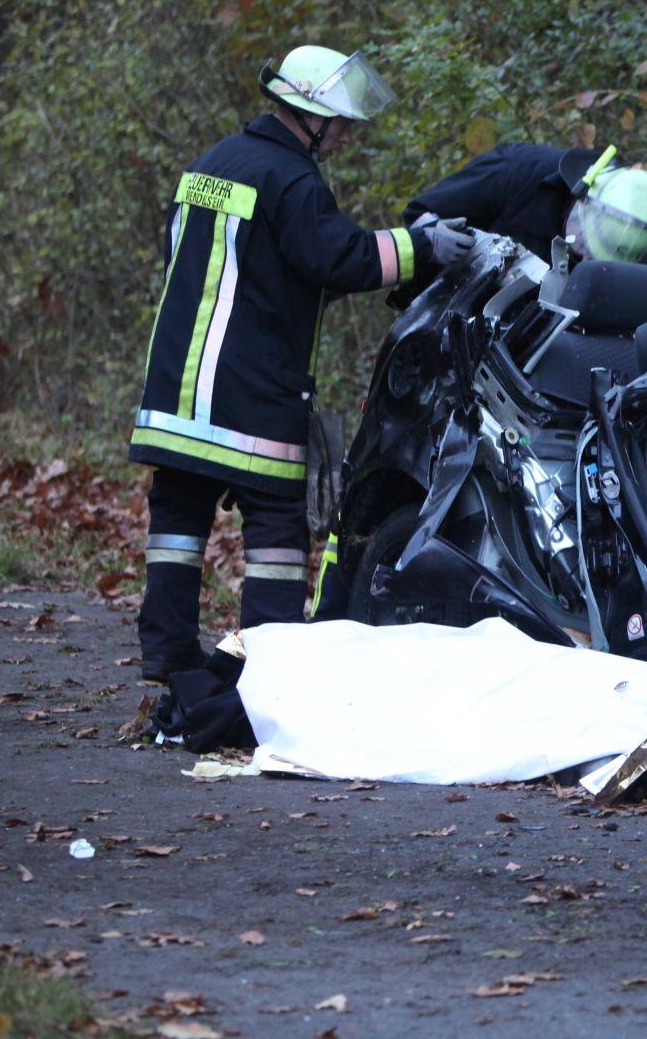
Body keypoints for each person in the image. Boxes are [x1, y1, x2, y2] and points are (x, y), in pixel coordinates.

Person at [130, 44, 474, 680]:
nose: (345, 133)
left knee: (177, 521)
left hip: (178, 390)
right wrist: (424, 246)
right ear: (307, 113)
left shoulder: (210, 164)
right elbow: (336, 256)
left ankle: (167, 651)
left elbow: (265, 265)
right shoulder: (292, 180)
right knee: (278, 531)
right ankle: (273, 669)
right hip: (251, 392)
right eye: (340, 121)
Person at [405, 143, 647, 266]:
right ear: (582, 201)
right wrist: (433, 238)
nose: (587, 259)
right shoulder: (517, 171)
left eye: (604, 255)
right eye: (586, 243)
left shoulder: (640, 237)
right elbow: (418, 213)